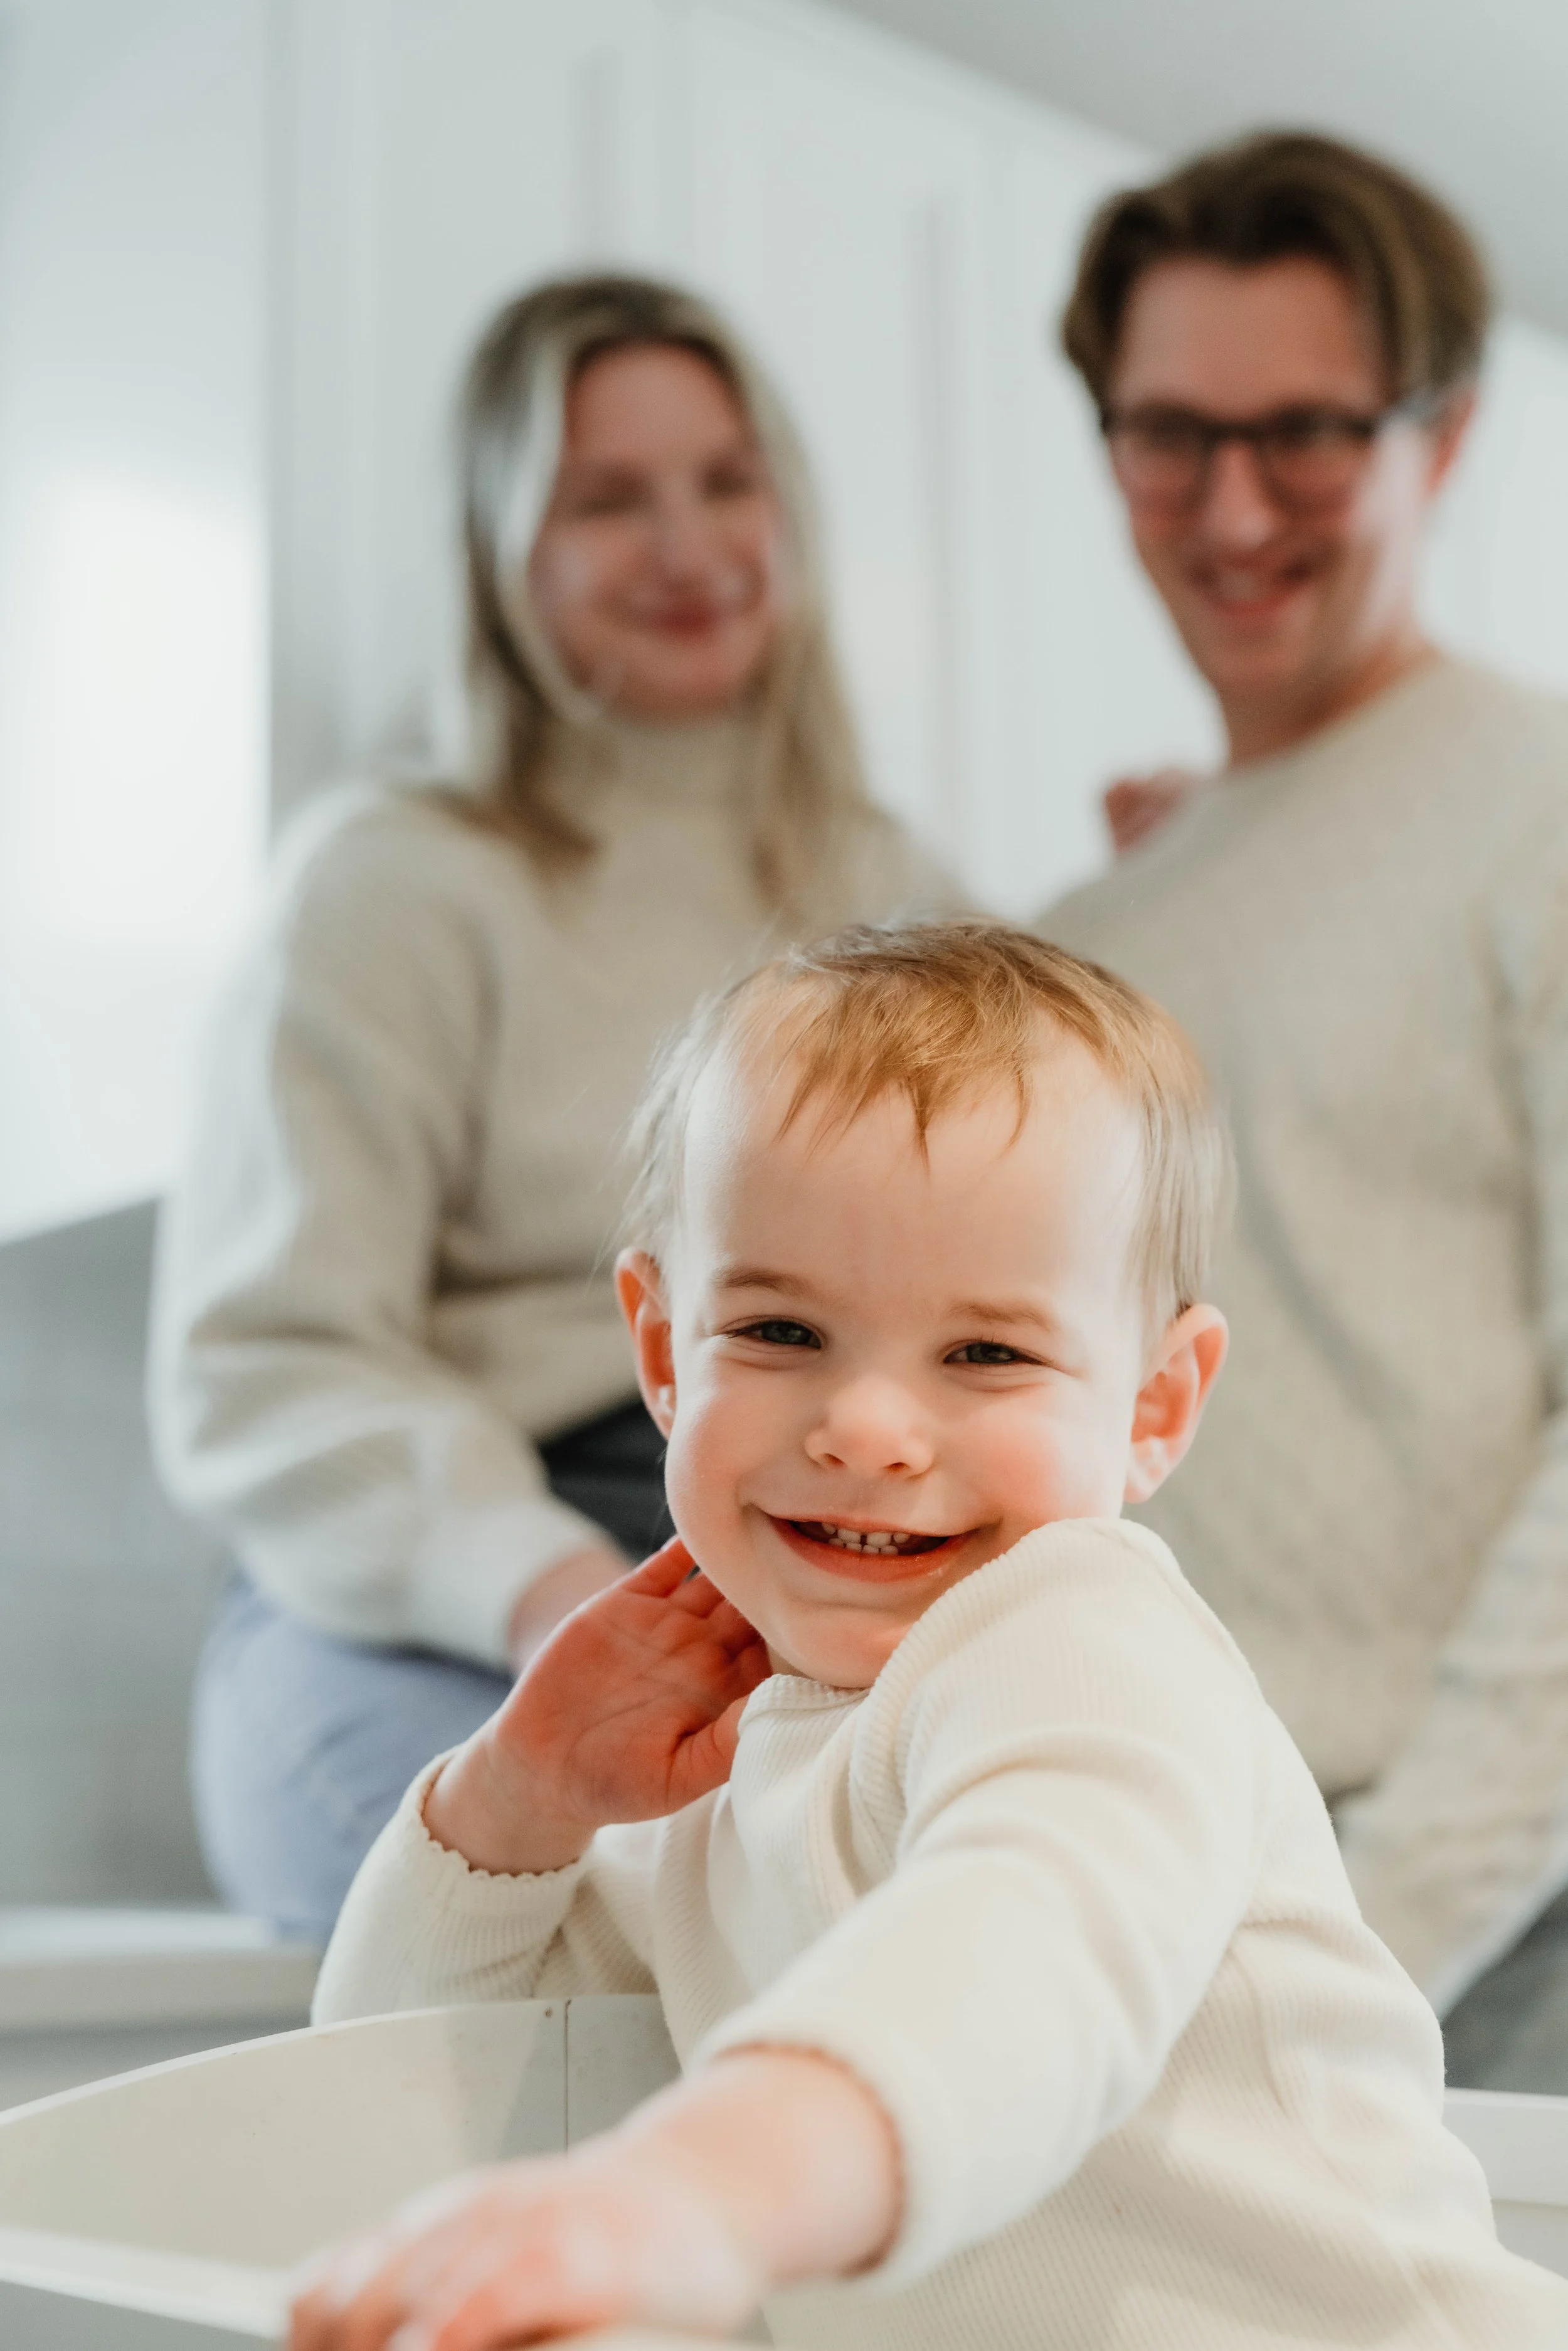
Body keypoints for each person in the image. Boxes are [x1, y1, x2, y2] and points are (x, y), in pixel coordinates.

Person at [291, 922, 1567, 2351]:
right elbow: (404, 2093)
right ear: (661, 1353)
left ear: (1152, 1403)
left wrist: (693, 2192)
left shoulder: (1085, 1642)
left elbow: (1015, 1953)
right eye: (778, 1331)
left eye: (984, 1353)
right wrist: (509, 1808)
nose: (865, 1429)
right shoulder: (705, 1769)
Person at [149, 273, 950, 1943]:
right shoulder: (392, 882)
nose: (688, 545)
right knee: (555, 1935)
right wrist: (552, 1594)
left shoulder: (887, 889)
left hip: (788, 1526)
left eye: (726, 481)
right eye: (607, 500)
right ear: (505, 549)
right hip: (417, 1588)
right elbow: (271, 1362)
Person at [1040, 131, 1568, 2089]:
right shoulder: (1087, 925)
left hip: (1474, 1930)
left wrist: (1375, 1936)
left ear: (1438, 436)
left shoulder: (1539, 802)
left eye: (1307, 435)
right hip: (1152, 1901)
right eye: (1168, 433)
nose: (1233, 505)